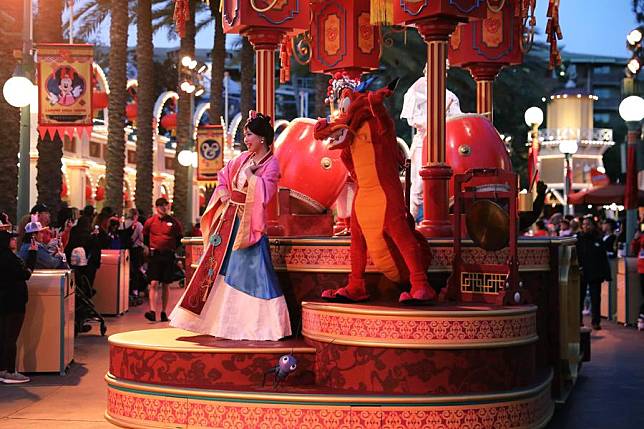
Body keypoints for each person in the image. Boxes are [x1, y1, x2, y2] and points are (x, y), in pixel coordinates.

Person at [169, 111, 291, 341]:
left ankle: (259, 326)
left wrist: (249, 176)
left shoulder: (271, 163)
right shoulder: (242, 157)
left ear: (262, 138)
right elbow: (223, 176)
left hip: (249, 224)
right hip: (228, 222)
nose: (246, 140)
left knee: (254, 270)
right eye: (245, 135)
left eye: (250, 135)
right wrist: (224, 192)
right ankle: (217, 323)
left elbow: (266, 194)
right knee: (216, 269)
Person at [401, 63, 462, 222]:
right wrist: (435, 120)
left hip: (446, 144)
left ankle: (439, 218)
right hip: (424, 141)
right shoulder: (416, 90)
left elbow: (456, 120)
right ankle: (410, 220)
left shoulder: (450, 96)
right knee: (419, 185)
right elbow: (413, 119)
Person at [0, 216, 37, 384]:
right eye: (11, 238)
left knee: (4, 335)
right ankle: (10, 371)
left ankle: (2, 369)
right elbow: (25, 274)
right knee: (11, 338)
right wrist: (33, 255)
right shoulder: (10, 259)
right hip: (14, 303)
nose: (14, 240)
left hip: (4, 301)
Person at [142, 198, 183, 322]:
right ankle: (153, 311)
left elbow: (179, 238)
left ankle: (164, 312)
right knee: (153, 283)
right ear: (156, 207)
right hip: (155, 255)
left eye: (166, 205)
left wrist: (173, 250)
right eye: (161, 206)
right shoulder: (150, 222)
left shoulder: (174, 222)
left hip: (168, 255)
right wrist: (147, 248)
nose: (164, 208)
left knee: (166, 284)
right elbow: (145, 236)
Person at [577, 216, 611, 330]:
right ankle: (578, 320)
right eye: (584, 224)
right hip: (581, 273)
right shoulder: (578, 238)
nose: (585, 226)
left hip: (595, 273)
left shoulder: (598, 239)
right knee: (579, 298)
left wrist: (606, 274)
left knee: (596, 298)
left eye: (588, 224)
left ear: (593, 226)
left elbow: (603, 258)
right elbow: (575, 256)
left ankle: (595, 321)